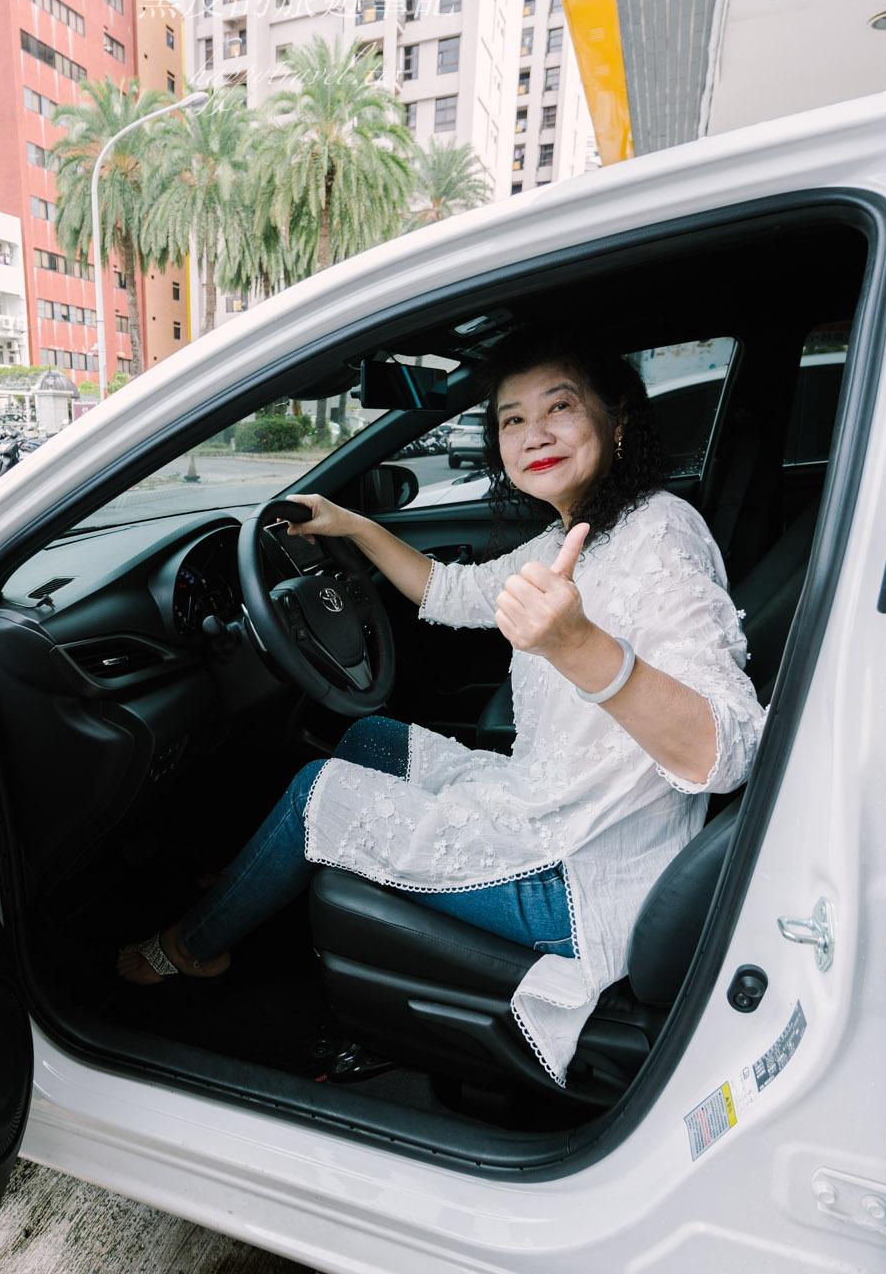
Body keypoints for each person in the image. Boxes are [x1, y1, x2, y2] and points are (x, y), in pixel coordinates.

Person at [117, 330, 765, 1086]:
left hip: (589, 869)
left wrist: (580, 644)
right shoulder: (573, 536)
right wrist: (353, 525)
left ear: (617, 419)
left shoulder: (660, 534)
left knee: (315, 795)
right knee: (370, 737)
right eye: (512, 420)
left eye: (560, 407)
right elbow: (449, 593)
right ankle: (246, 879)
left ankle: (195, 948)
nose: (534, 434)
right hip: (549, 800)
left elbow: (725, 750)